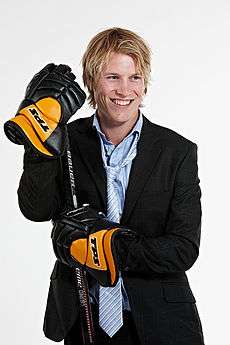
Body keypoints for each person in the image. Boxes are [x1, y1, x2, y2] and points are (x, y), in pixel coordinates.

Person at [5, 27, 205, 344]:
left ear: (145, 83)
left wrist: (110, 247)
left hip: (160, 323)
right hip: (83, 316)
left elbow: (183, 249)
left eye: (135, 78)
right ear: (92, 82)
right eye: (113, 77)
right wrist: (38, 149)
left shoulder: (177, 151)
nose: (124, 90)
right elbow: (36, 209)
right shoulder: (67, 139)